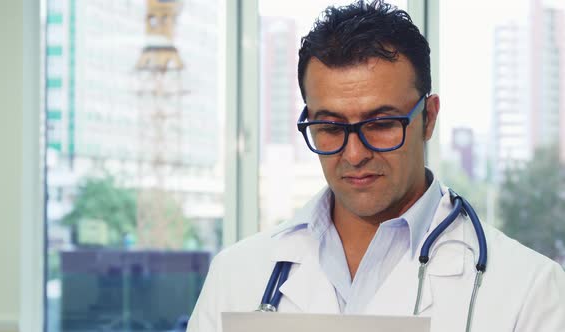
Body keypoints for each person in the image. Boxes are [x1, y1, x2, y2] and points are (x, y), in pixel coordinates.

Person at [187, 1, 565, 331]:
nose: (354, 154)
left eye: (381, 124)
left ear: (428, 118)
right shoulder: (236, 275)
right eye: (330, 127)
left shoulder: (528, 290)